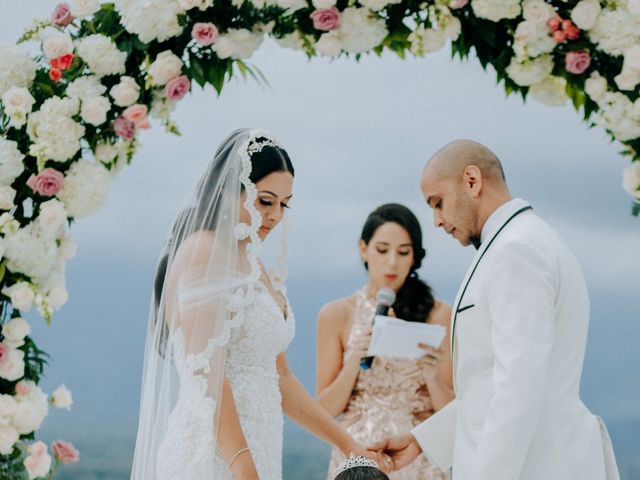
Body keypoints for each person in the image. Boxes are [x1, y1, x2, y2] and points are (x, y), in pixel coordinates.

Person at [131, 129, 382, 480]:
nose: (276, 215)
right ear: (229, 191)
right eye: (265, 201)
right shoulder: (203, 253)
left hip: (259, 449)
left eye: (284, 204)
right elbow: (209, 374)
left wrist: (349, 445)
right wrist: (242, 466)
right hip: (214, 455)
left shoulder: (255, 265)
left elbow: (281, 377)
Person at [371, 140, 620, 480]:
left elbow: (518, 384)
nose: (437, 221)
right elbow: (488, 385)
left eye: (438, 203)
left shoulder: (517, 249)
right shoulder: (516, 242)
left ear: (472, 180)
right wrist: (422, 440)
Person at [317, 203, 453, 479]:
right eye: (382, 250)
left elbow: (453, 412)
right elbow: (325, 410)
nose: (392, 262)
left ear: (414, 257)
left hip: (419, 459)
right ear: (363, 249)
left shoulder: (440, 314)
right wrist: (355, 359)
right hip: (358, 457)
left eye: (403, 252)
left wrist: (431, 374)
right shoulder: (337, 314)